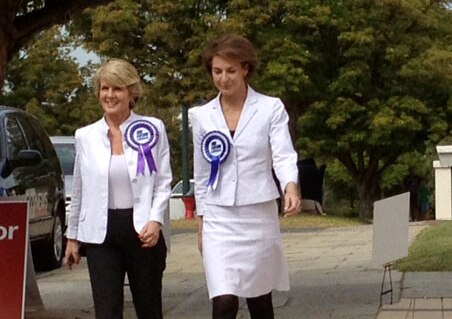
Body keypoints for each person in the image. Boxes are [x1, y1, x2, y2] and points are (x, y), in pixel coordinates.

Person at [192, 34, 301, 319]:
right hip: (219, 217)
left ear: (245, 69)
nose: (223, 78)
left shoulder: (270, 108)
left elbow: (283, 154)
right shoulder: (201, 116)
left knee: (259, 299)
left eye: (230, 70)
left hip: (257, 214)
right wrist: (201, 224)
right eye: (217, 71)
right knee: (224, 301)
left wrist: (290, 186)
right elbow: (202, 173)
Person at [64, 58, 172, 319]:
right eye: (105, 88)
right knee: (107, 310)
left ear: (131, 93)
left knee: (149, 308)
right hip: (101, 234)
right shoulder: (85, 136)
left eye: (117, 89)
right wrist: (72, 237)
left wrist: (156, 221)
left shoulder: (152, 128)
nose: (110, 95)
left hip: (142, 232)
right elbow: (79, 189)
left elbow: (163, 181)